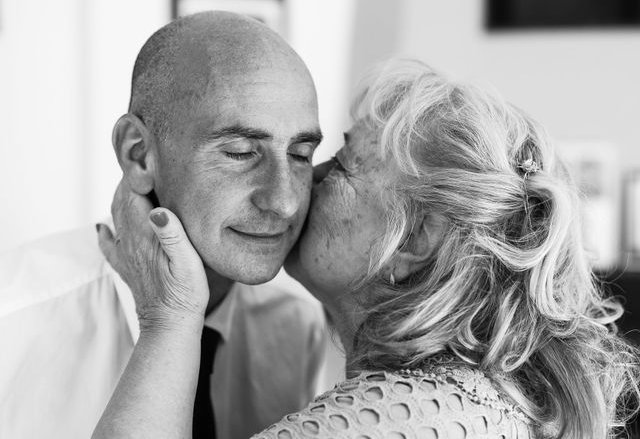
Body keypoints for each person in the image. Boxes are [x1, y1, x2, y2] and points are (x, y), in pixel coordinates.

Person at [94, 57, 639, 439]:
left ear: (415, 240)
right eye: (241, 152)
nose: (292, 196)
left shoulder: (397, 419)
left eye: (342, 167)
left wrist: (168, 319)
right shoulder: (486, 397)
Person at [0, 11, 329, 439]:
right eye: (241, 152)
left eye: (301, 154)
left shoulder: (296, 326)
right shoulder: (14, 317)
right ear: (139, 155)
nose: (284, 202)